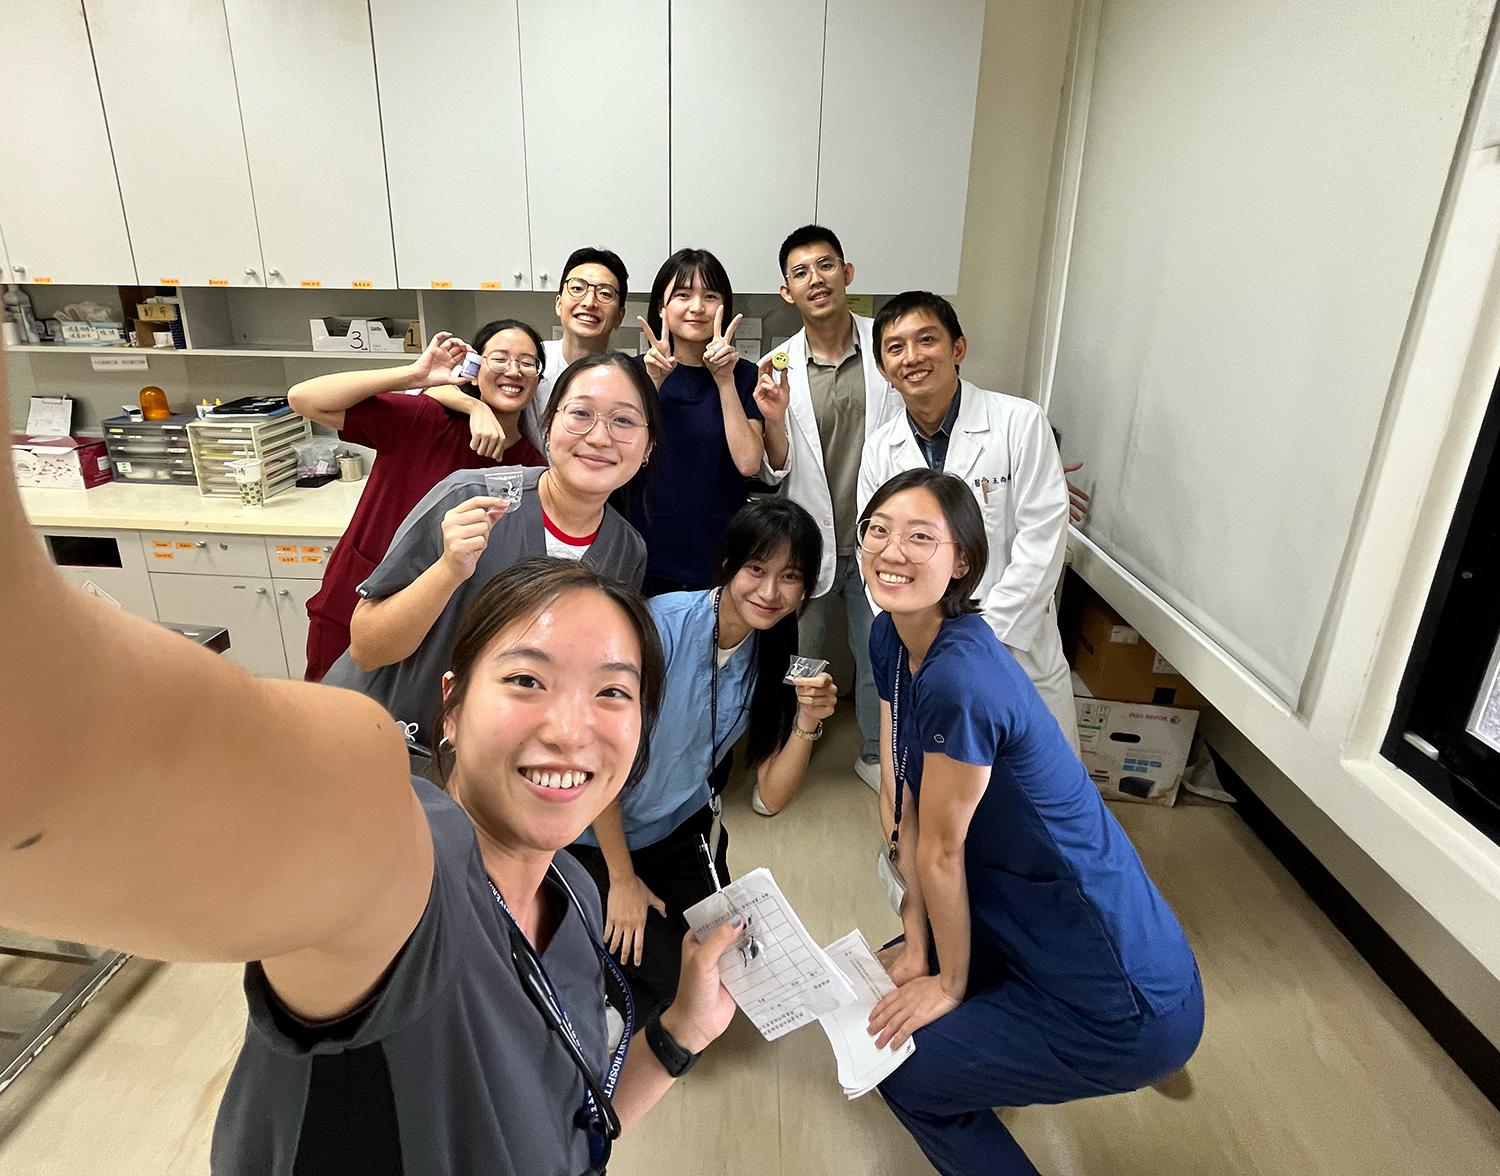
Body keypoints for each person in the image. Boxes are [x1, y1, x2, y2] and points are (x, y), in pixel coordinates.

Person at [0, 320, 746, 1172]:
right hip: (398, 767)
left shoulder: (566, 898)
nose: (573, 722)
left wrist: (682, 1029)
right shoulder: (405, 893)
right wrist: (446, 577)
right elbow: (65, 766)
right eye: (527, 679)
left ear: (649, 448)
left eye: (612, 691)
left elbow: (573, 1120)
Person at [855, 468, 1202, 1176]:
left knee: (905, 1073)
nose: (891, 550)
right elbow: (908, 798)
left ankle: (1014, 1051)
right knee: (887, 977)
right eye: (878, 530)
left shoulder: (961, 679)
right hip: (1024, 922)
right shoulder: (893, 639)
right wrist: (918, 946)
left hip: (1124, 997)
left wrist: (949, 984)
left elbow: (943, 855)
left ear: (963, 562)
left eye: (921, 536)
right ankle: (990, 1043)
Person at [566, 498, 836, 1016]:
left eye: (790, 576)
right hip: (598, 832)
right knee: (675, 993)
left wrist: (806, 723)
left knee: (730, 979)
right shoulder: (660, 630)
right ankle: (575, 972)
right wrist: (622, 881)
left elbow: (773, 797)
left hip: (675, 830)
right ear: (728, 564)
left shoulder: (776, 655)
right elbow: (592, 761)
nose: (770, 591)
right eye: (756, 569)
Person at [323, 352, 659, 751]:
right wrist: (449, 570)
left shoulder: (625, 551)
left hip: (496, 759)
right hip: (388, 741)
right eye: (581, 413)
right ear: (548, 428)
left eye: (623, 420)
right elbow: (367, 648)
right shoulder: (469, 497)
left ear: (648, 447)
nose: (600, 437)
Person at [858, 291, 1081, 752]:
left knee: (1035, 787)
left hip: (1013, 642)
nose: (912, 357)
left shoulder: (1020, 423)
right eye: (895, 348)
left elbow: (1042, 541)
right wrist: (914, 636)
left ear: (958, 348)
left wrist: (983, 640)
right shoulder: (882, 447)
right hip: (921, 646)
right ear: (883, 369)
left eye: (926, 340)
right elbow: (876, 553)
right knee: (943, 789)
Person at [291, 323, 547, 681]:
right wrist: (415, 376)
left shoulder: (531, 468)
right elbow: (304, 398)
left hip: (444, 638)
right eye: (499, 358)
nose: (513, 370)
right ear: (474, 368)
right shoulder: (425, 420)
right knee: (330, 726)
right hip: (352, 611)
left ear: (538, 379)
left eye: (527, 362)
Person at [756, 224, 905, 793]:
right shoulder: (776, 366)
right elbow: (775, 469)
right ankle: (794, 750)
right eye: (800, 272)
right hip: (811, 543)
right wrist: (771, 421)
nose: (815, 279)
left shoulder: (888, 346)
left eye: (825, 265)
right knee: (805, 659)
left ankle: (875, 753)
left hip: (878, 540)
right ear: (786, 292)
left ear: (847, 273)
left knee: (879, 658)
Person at [629, 247, 791, 595]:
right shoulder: (632, 374)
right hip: (643, 551)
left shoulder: (746, 376)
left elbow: (748, 463)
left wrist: (723, 380)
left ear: (724, 307)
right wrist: (652, 383)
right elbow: (622, 451)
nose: (697, 307)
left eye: (710, 296)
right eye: (682, 295)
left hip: (717, 554)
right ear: (661, 307)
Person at [520, 246, 632, 451]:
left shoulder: (625, 379)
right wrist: (475, 408)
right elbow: (462, 385)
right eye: (578, 289)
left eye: (605, 294)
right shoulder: (530, 360)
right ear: (559, 303)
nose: (589, 302)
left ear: (619, 316)